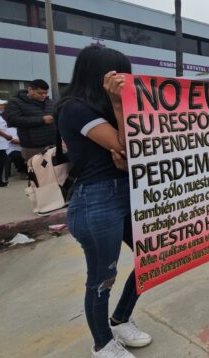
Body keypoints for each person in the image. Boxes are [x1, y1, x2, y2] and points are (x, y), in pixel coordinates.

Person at [57, 45, 151, 357]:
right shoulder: (74, 108)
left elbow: (137, 149)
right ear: (99, 76)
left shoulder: (115, 108)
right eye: (119, 74)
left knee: (154, 256)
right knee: (102, 277)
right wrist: (117, 104)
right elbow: (125, 146)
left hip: (128, 193)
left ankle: (121, 319)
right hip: (97, 199)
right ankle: (103, 343)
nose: (126, 81)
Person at [5, 79, 56, 161]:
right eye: (40, 93)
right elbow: (12, 120)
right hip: (33, 147)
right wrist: (42, 120)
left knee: (53, 172)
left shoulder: (49, 102)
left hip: (53, 144)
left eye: (46, 93)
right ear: (30, 89)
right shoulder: (15, 102)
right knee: (36, 172)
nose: (43, 95)